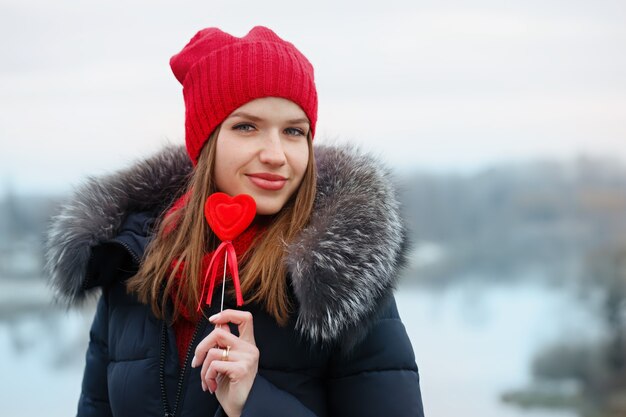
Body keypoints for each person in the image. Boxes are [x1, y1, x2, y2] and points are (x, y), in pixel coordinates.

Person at [45, 26, 425, 417]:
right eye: (247, 127)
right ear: (205, 141)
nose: (276, 154)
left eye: (294, 131)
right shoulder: (132, 262)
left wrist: (253, 401)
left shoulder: (338, 285)